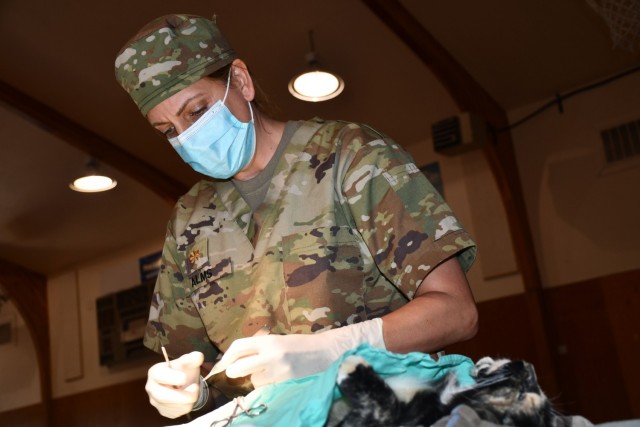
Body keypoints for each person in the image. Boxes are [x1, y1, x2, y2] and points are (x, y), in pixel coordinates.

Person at [114, 13, 479, 420]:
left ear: (241, 80)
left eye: (196, 111)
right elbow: (192, 362)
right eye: (167, 130)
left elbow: (456, 312)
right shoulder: (189, 220)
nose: (186, 136)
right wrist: (187, 389)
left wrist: (331, 349)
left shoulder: (351, 157)